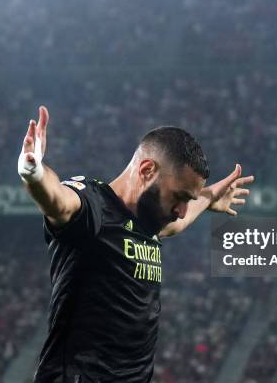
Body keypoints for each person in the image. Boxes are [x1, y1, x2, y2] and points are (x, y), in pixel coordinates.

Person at [18, 106, 254, 383]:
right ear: (146, 170)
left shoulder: (149, 221)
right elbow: (58, 201)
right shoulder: (95, 208)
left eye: (186, 201)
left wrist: (209, 197)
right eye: (178, 196)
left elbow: (178, 223)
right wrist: (33, 172)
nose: (180, 210)